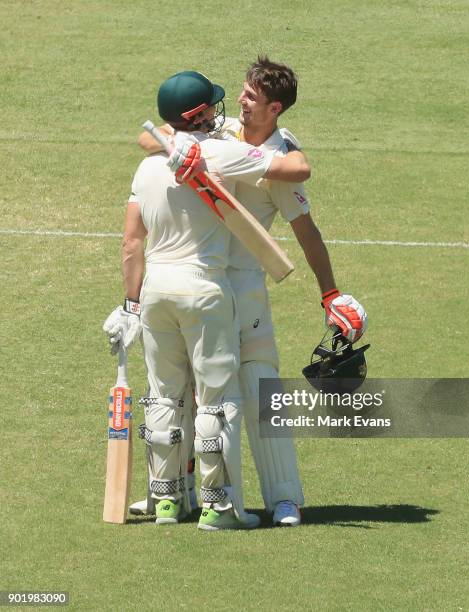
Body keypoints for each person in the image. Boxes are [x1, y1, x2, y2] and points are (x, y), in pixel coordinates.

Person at [133, 58, 367, 526]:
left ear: (274, 107)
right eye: (240, 92)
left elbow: (306, 221)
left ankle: (284, 499)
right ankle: (176, 495)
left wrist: (331, 293)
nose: (240, 102)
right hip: (203, 279)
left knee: (261, 391)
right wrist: (178, 151)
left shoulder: (280, 155)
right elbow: (150, 135)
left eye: (251, 97)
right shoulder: (220, 135)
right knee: (186, 392)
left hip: (245, 285)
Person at [103, 70, 312, 530]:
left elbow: (130, 245)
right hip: (206, 288)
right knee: (218, 402)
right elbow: (298, 169)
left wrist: (129, 306)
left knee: (165, 397)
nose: (227, 107)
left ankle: (168, 503)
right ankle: (220, 508)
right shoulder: (221, 151)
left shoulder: (147, 166)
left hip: (156, 292)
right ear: (199, 114)